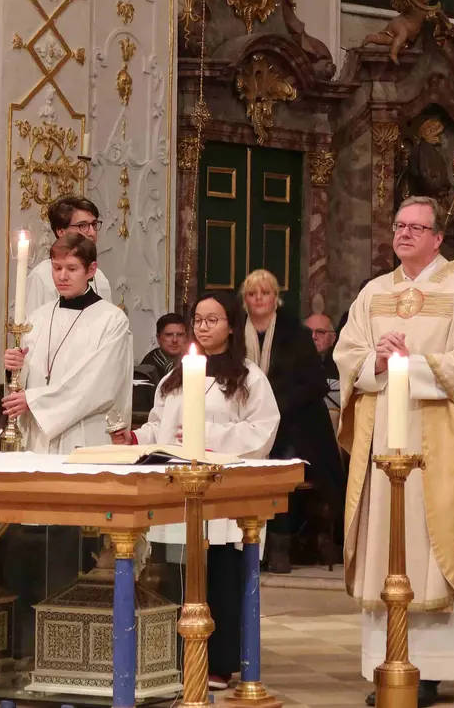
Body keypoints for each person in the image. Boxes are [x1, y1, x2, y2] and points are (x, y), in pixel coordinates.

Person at [334, 195, 454, 708]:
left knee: (433, 549)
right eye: (399, 226)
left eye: (417, 227)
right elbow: (348, 356)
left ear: (437, 238)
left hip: (440, 443)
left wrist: (418, 363)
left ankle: (431, 667)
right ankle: (385, 663)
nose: (405, 234)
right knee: (384, 547)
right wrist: (378, 361)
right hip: (381, 439)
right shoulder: (373, 293)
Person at [115, 290, 280, 690]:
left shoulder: (248, 377)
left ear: (231, 326)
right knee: (172, 576)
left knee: (220, 577)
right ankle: (172, 656)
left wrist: (209, 436)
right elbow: (160, 424)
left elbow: (262, 430)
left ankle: (219, 661)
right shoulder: (176, 376)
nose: (203, 327)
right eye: (199, 320)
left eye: (213, 320)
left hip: (221, 495)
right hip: (175, 491)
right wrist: (136, 436)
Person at [240, 270, 344, 574]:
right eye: (252, 294)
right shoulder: (235, 331)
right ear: (244, 300)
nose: (259, 298)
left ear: (276, 299)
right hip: (245, 419)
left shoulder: (296, 334)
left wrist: (273, 409)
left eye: (265, 293)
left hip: (296, 423)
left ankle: (279, 545)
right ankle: (244, 543)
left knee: (281, 462)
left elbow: (313, 384)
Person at [1, 232, 132, 453]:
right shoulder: (38, 318)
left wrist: (35, 401)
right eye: (56, 268)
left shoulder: (112, 320)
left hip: (85, 436)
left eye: (71, 269)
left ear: (91, 270)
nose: (62, 276)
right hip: (39, 439)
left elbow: (99, 384)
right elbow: (30, 379)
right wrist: (13, 368)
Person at [25, 196, 113, 314]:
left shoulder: (100, 277)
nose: (92, 233)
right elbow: (35, 327)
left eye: (94, 224)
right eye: (83, 226)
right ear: (61, 231)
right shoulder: (42, 277)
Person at [138, 313, 186, 385]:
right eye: (169, 335)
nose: (175, 340)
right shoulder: (148, 365)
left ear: (186, 337)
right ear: (158, 337)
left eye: (180, 335)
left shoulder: (195, 361)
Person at [307, 312, 339, 377]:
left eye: (320, 332)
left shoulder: (342, 366)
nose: (313, 337)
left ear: (333, 338)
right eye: (308, 332)